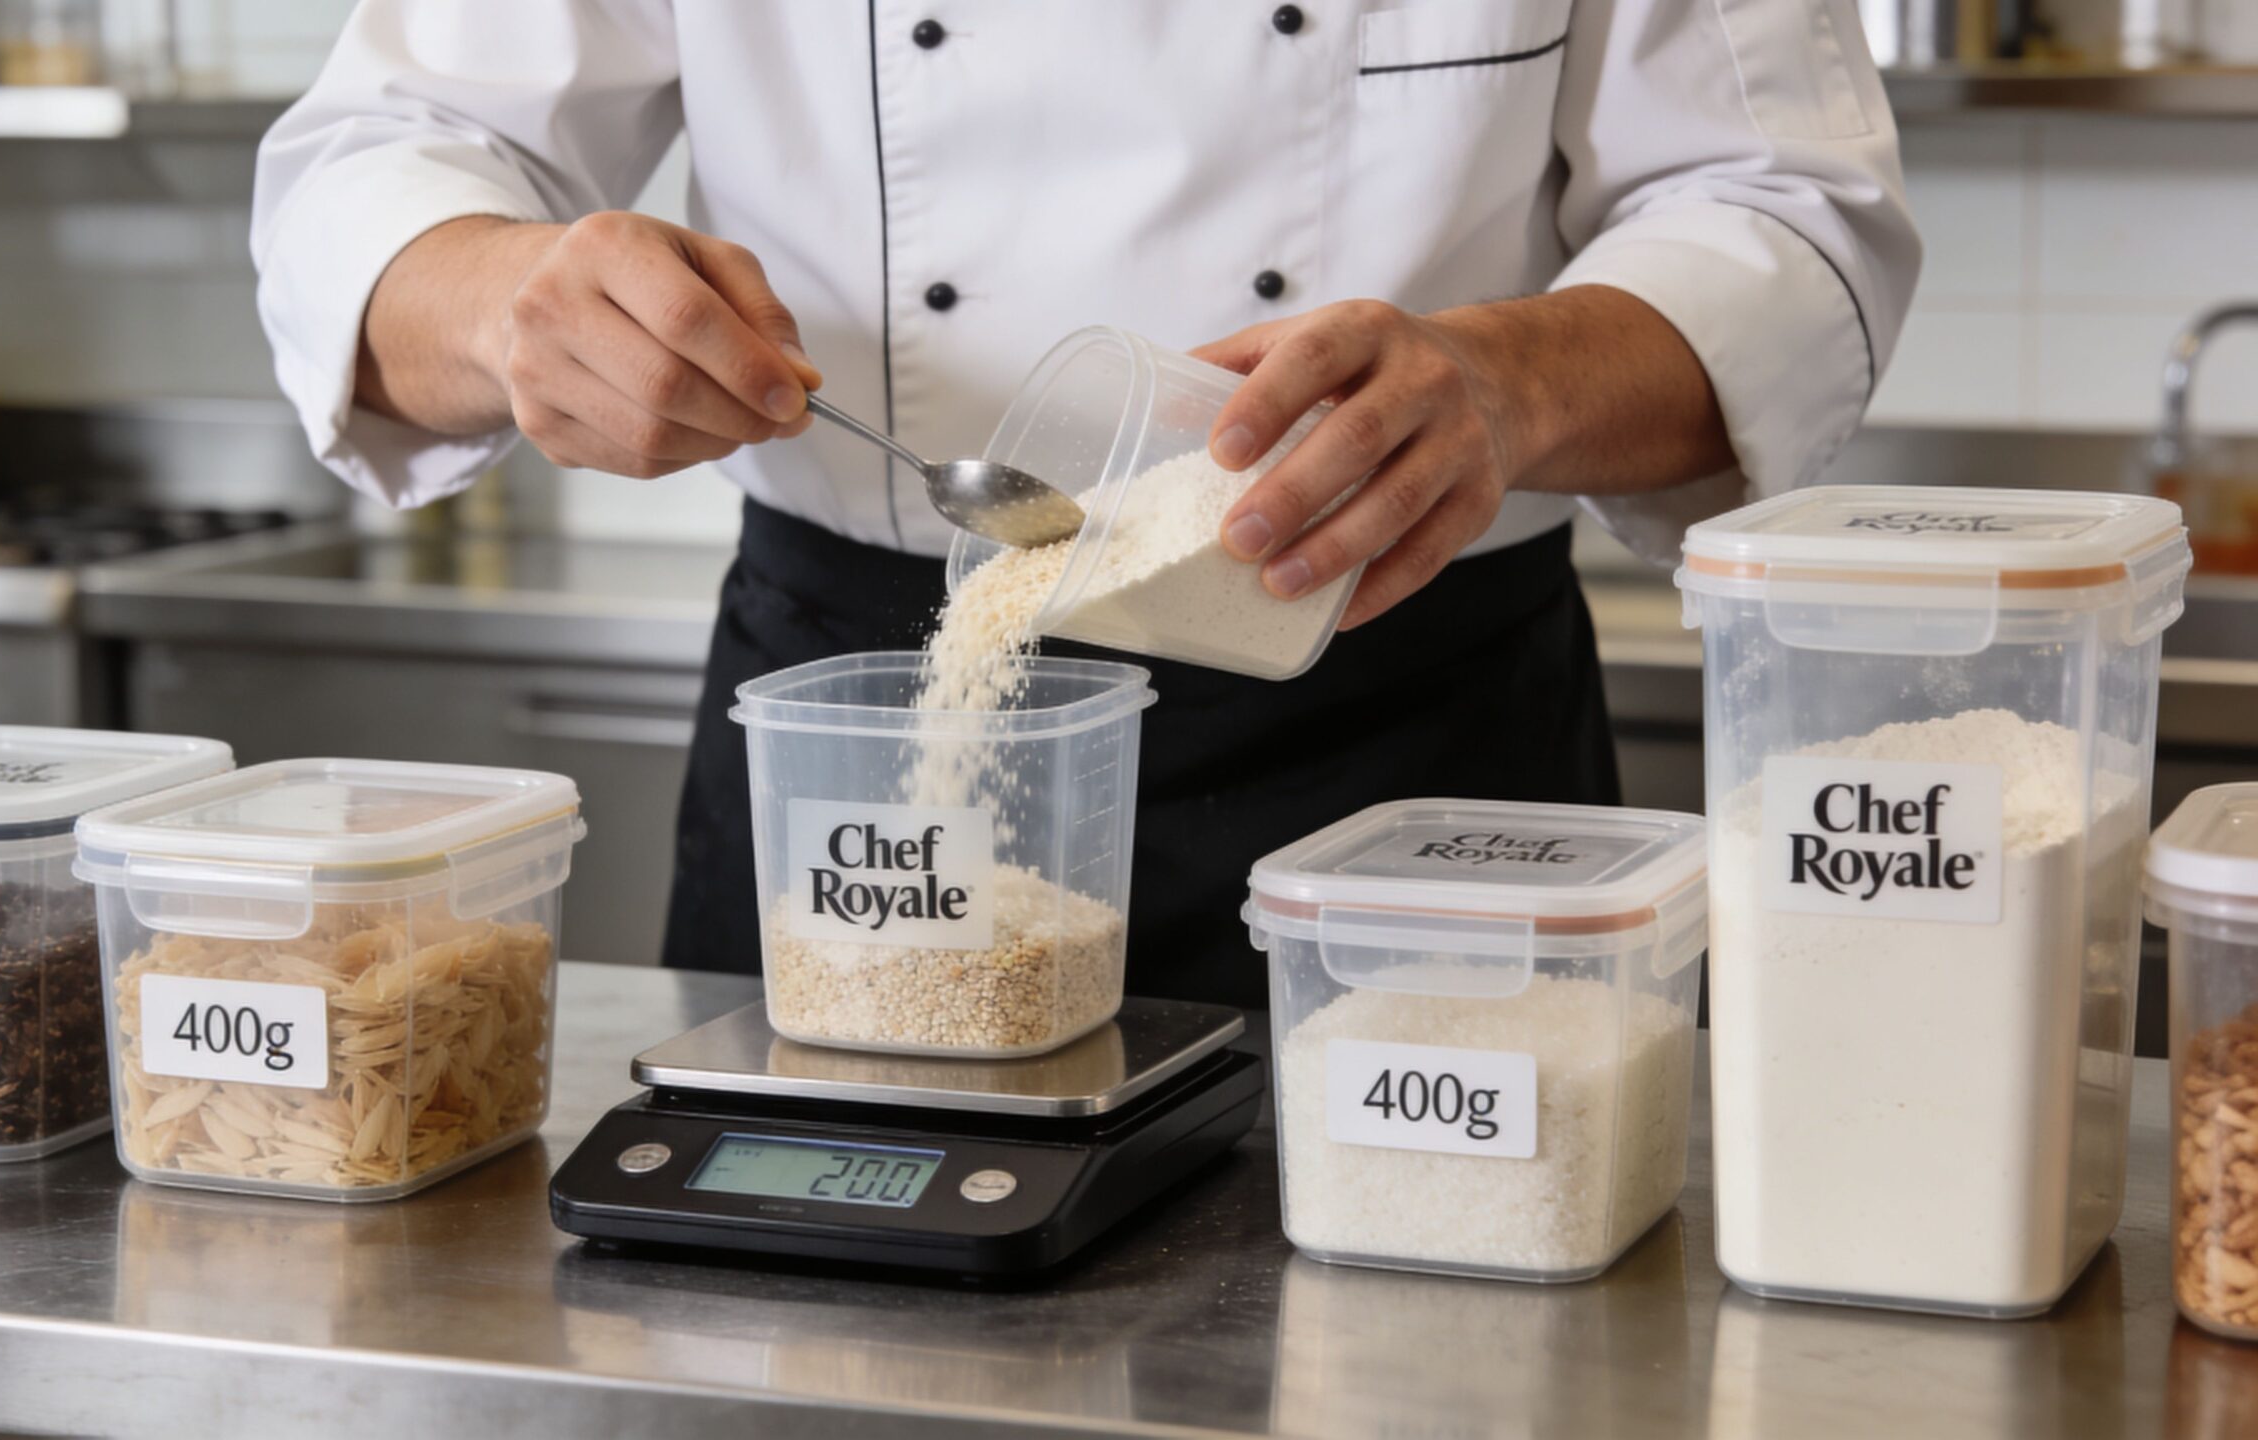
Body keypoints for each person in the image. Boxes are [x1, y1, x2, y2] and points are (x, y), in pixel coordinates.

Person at [252, 2, 1918, 1006]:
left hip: (1408, 733)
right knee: (800, 1347)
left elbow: (1791, 219)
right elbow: (384, 160)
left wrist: (1513, 381)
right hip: (868, 742)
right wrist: (505, 304)